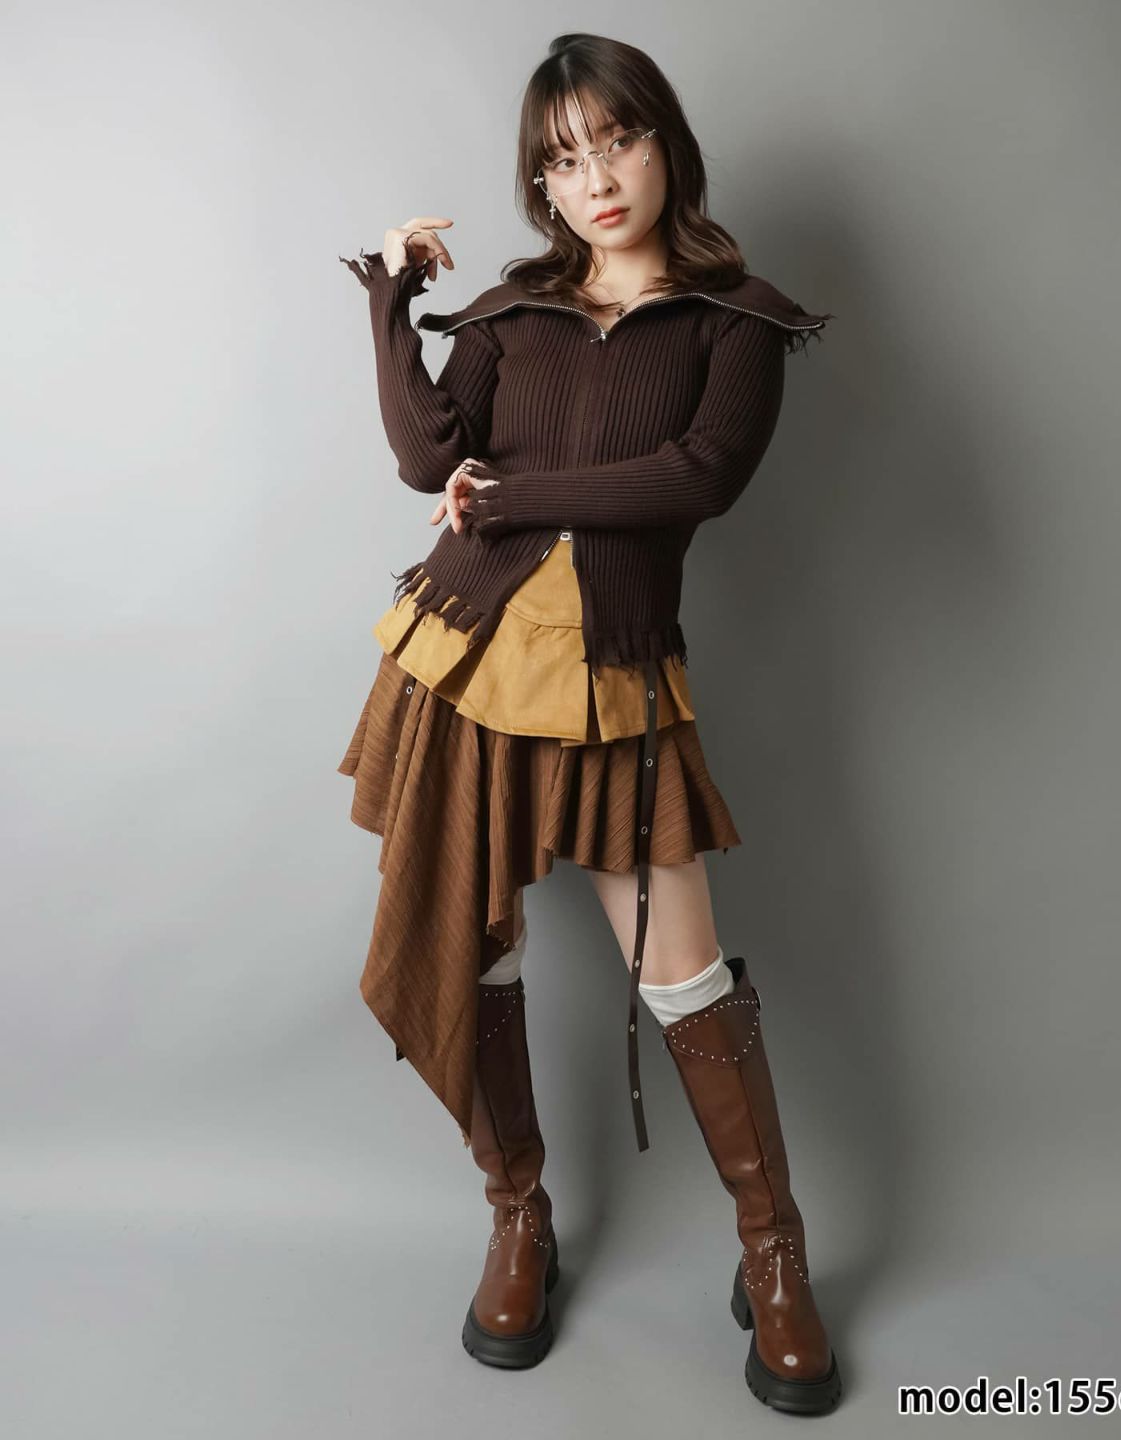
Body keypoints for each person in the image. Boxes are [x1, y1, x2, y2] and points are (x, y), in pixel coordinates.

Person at [336, 31, 841, 1416]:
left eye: (617, 140)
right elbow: (427, 460)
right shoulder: (512, 311)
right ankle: (519, 1217)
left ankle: (774, 1248)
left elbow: (696, 478)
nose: (598, 177)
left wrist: (511, 496)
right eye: (564, 159)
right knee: (475, 941)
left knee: (684, 968)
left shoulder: (739, 322)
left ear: (665, 143)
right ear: (541, 186)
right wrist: (392, 299)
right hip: (465, 660)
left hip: (616, 673)